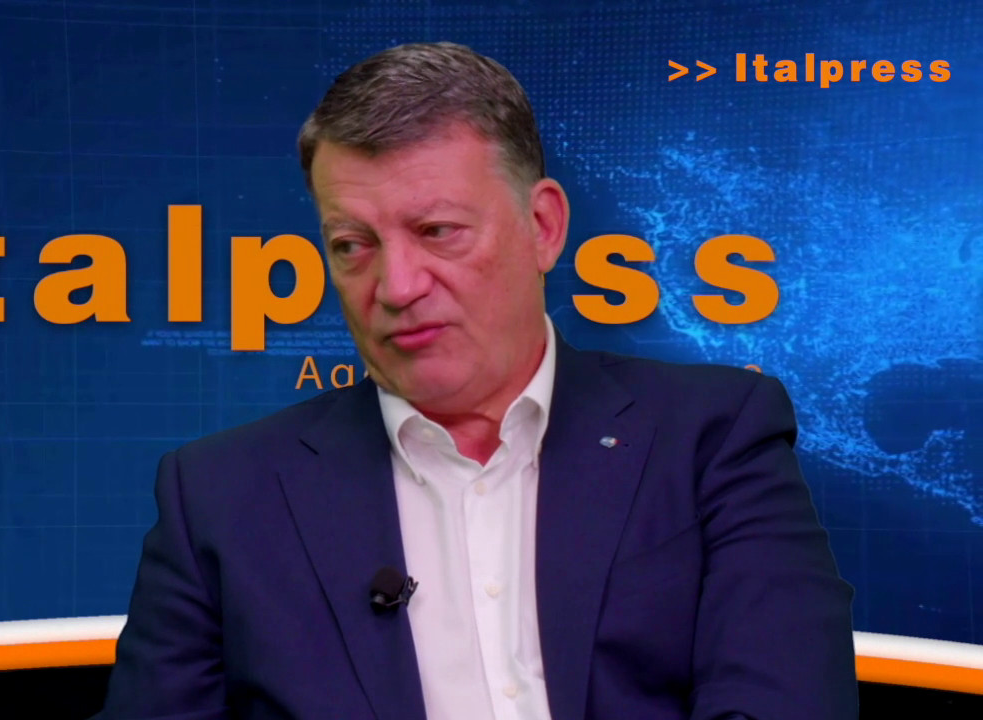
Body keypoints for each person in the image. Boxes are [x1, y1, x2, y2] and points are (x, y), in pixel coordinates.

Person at [94, 41, 858, 720]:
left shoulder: (712, 436)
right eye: (352, 244)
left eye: (437, 232)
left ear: (543, 227)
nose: (396, 286)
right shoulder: (222, 497)